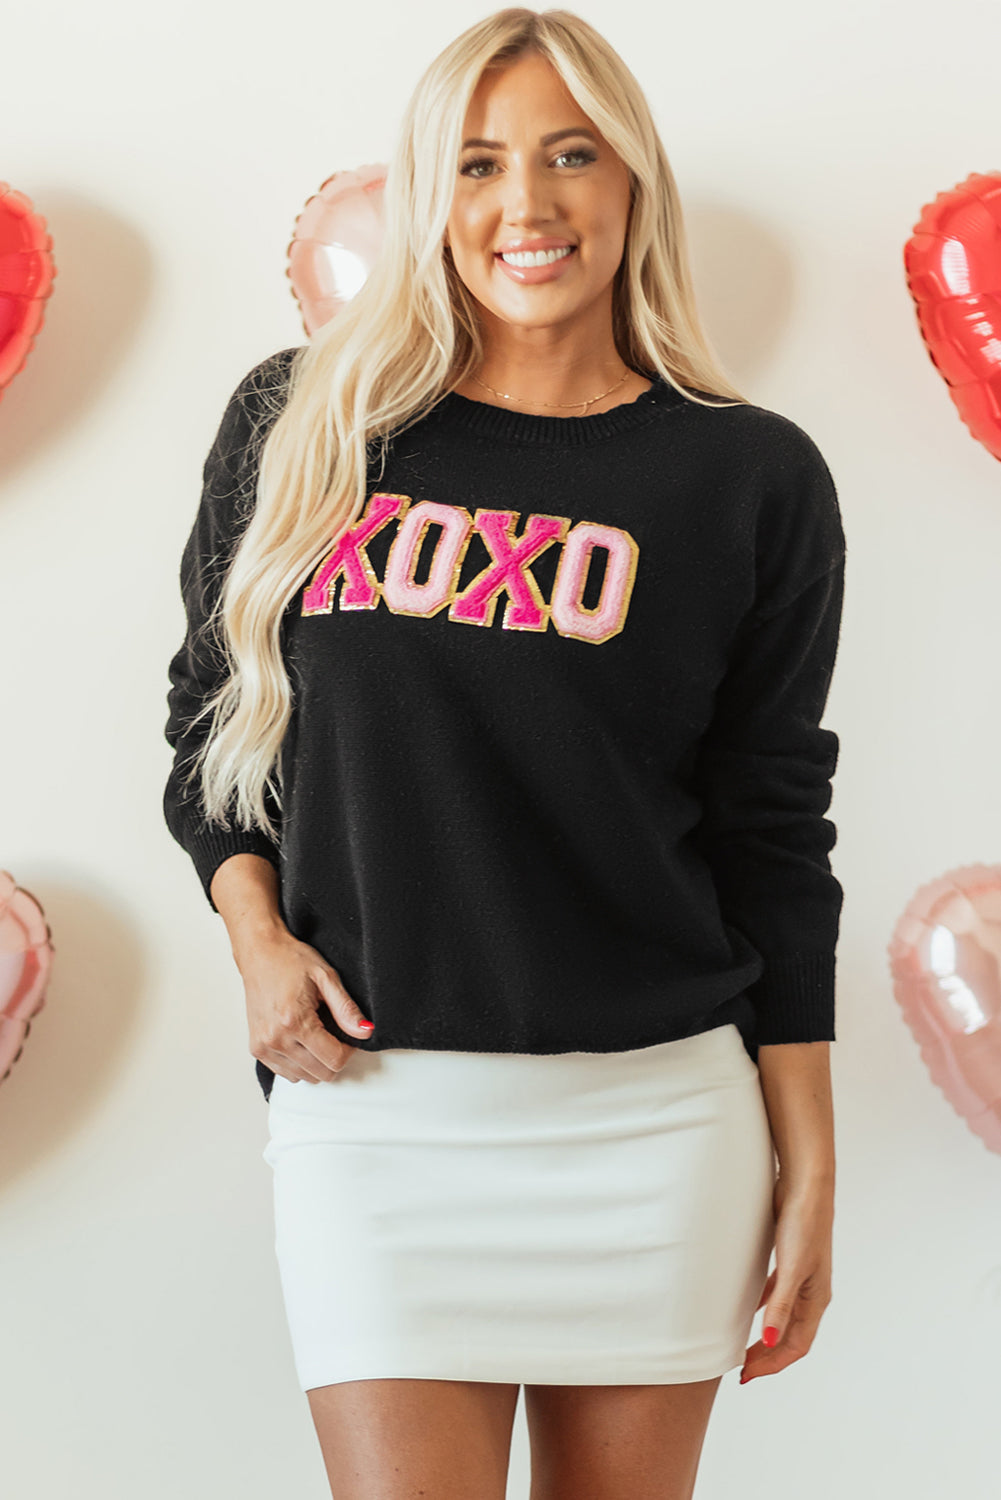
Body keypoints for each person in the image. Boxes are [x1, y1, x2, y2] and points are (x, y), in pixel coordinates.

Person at [162, 9, 845, 1499]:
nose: (525, 204)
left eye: (569, 156)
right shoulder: (302, 423)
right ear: (432, 192)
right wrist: (256, 939)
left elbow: (774, 826)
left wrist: (811, 1158)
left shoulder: (749, 474)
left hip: (660, 1123)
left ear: (632, 180)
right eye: (477, 164)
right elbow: (210, 722)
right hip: (373, 1118)